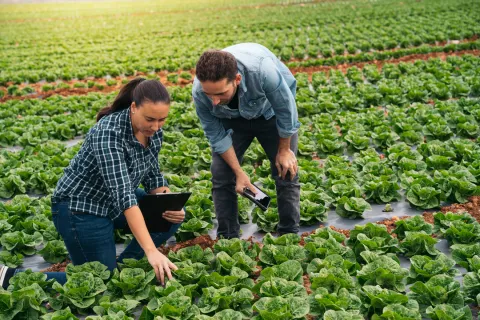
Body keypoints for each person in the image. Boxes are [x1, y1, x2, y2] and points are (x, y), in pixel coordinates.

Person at [1, 78, 183, 289]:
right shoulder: (108, 133)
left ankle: (124, 265)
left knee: (170, 215)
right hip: (80, 208)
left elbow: (154, 178)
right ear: (133, 107)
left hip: (112, 205)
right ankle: (12, 276)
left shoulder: (154, 133)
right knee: (99, 281)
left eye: (162, 120)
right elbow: (124, 196)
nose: (156, 126)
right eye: (150, 119)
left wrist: (170, 202)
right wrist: (152, 251)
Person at [192, 43, 301, 239]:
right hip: (231, 120)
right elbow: (216, 135)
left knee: (285, 170)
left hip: (270, 114)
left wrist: (284, 149)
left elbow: (285, 107)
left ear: (237, 79)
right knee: (221, 174)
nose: (214, 101)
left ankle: (289, 234)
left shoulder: (262, 71)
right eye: (210, 94)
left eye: (220, 93)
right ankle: (228, 238)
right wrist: (238, 172)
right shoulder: (200, 92)